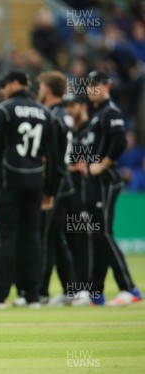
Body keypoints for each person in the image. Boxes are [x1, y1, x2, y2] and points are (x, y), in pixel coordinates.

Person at [0, 70, 56, 308]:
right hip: (35, 184)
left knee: (6, 238)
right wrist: (50, 190)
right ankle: (31, 294)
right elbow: (53, 156)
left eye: (5, 84)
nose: (3, 89)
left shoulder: (4, 109)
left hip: (9, 182)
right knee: (32, 238)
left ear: (16, 84)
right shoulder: (44, 112)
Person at [79, 71, 141, 306]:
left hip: (106, 181)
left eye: (96, 85)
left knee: (103, 233)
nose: (91, 89)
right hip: (96, 182)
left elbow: (120, 141)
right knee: (97, 235)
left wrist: (100, 166)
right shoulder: (97, 114)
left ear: (107, 86)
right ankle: (96, 292)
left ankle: (130, 288)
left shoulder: (110, 111)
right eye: (89, 86)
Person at [35, 71, 78, 305]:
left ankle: (39, 292)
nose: (38, 90)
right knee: (54, 238)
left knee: (45, 237)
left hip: (57, 183)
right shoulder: (63, 114)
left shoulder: (53, 115)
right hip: (64, 181)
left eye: (41, 86)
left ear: (48, 89)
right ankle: (70, 289)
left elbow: (54, 155)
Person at [63, 93, 94, 306]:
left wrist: (73, 167)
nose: (69, 110)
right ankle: (74, 288)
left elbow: (88, 164)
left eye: (72, 105)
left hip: (87, 194)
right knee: (70, 240)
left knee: (84, 240)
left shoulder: (91, 130)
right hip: (69, 193)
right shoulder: (69, 131)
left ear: (83, 106)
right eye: (67, 106)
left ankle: (86, 288)